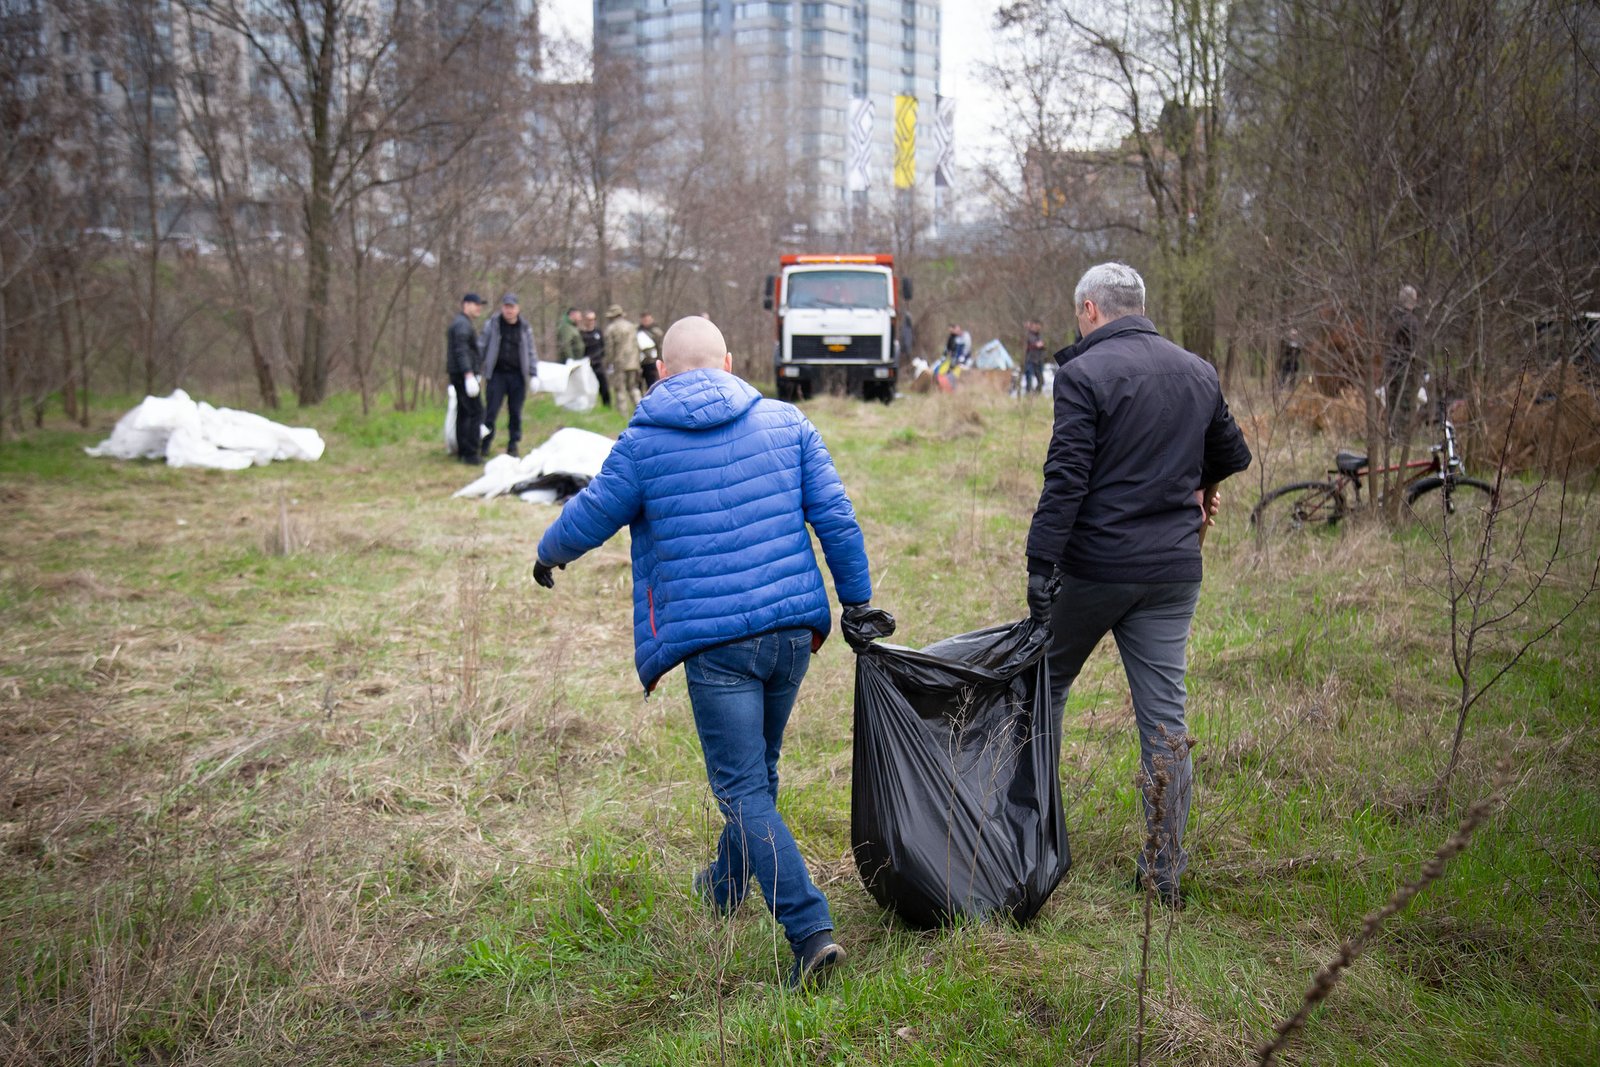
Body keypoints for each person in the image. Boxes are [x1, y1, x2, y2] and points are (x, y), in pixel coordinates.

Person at [531, 315, 883, 990]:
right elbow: (836, 515)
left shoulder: (643, 442)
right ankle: (726, 884)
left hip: (718, 646)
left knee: (743, 785)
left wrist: (549, 553)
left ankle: (809, 930)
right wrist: (857, 602)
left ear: (662, 370)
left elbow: (592, 512)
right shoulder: (788, 424)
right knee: (759, 769)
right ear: (727, 359)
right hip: (790, 635)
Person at [1025, 262, 1251, 908]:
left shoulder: (1082, 374)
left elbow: (1065, 480)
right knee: (1166, 724)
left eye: (1079, 314)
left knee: (1043, 687)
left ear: (1091, 310)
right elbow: (1232, 453)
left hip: (1096, 568)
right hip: (1174, 571)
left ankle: (1033, 846)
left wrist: (1042, 566)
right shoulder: (1196, 370)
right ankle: (1163, 874)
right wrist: (1200, 489)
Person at [478, 294, 537, 457]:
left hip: (518, 376)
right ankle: (485, 442)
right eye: (506, 306)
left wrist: (533, 373)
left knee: (515, 412)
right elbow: (481, 346)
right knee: (491, 411)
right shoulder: (493, 324)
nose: (509, 310)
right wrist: (476, 370)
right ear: (502, 308)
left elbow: (531, 351)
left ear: (517, 309)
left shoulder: (524, 327)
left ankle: (513, 444)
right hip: (497, 375)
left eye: (512, 307)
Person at [445, 292, 485, 464]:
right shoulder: (462, 325)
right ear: (466, 305)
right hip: (463, 376)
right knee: (475, 412)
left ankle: (463, 451)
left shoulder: (462, 323)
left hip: (460, 374)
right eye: (475, 304)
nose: (479, 308)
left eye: (480, 305)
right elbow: (461, 351)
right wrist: (468, 374)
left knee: (464, 412)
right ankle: (470, 453)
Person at [1386, 285, 1421, 436]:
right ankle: (1399, 436)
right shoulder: (1411, 321)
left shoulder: (1391, 317)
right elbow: (1414, 347)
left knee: (1392, 402)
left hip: (1391, 365)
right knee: (1403, 404)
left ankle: (1391, 433)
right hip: (1404, 368)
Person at [603, 303, 643, 415]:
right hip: (633, 362)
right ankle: (641, 411)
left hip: (619, 363)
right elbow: (636, 345)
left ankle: (623, 414)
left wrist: (608, 362)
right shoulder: (631, 327)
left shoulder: (611, 329)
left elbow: (609, 349)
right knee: (633, 388)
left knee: (620, 389)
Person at [582, 309, 610, 408]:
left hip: (598, 362)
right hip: (586, 364)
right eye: (589, 319)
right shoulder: (582, 334)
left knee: (604, 384)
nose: (592, 321)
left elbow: (603, 346)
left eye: (593, 319)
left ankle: (607, 404)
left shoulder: (598, 332)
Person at [637, 311, 664, 389]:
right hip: (640, 362)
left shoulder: (656, 332)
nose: (645, 321)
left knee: (652, 383)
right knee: (639, 384)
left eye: (647, 319)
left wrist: (659, 361)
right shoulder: (638, 331)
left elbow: (660, 347)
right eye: (644, 319)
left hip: (652, 362)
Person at [1023, 319, 1046, 395]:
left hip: (1038, 360)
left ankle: (1036, 394)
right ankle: (1028, 394)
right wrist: (1036, 345)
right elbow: (1025, 347)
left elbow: (1043, 346)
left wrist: (1041, 346)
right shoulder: (1028, 335)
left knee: (1041, 380)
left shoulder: (1040, 336)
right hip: (1030, 359)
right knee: (1029, 379)